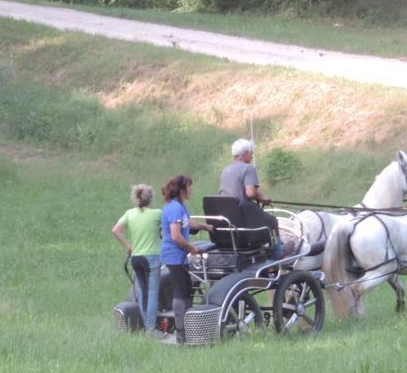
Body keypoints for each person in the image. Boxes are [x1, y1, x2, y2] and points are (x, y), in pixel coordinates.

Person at [160, 175, 212, 344]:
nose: (191, 190)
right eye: (189, 187)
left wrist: (206, 226)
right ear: (182, 190)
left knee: (186, 289)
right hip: (174, 255)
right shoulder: (175, 208)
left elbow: (187, 223)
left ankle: (188, 327)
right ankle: (182, 332)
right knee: (180, 292)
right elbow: (175, 235)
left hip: (179, 256)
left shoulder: (179, 206)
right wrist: (191, 248)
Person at [220, 138, 284, 258]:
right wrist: (263, 198)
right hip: (242, 210)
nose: (252, 157)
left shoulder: (226, 170)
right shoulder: (248, 168)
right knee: (272, 221)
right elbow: (250, 193)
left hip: (228, 214)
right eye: (251, 153)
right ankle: (277, 253)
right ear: (245, 154)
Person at [112, 184, 163, 334]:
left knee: (142, 291)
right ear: (151, 198)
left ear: (135, 198)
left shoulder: (129, 214)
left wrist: (128, 246)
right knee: (153, 292)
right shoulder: (157, 214)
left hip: (136, 257)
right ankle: (151, 327)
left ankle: (147, 325)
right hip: (152, 257)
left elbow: (116, 230)